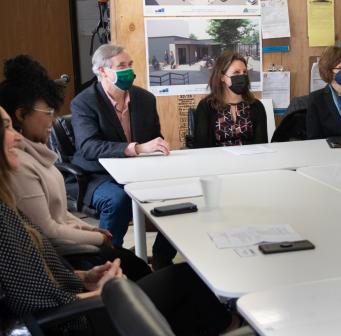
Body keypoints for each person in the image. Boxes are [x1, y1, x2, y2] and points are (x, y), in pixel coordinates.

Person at [0, 110, 236, 335]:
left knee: (186, 279)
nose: (17, 137)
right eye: (8, 128)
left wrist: (85, 276)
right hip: (83, 321)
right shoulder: (3, 222)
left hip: (82, 300)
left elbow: (40, 282)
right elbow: (38, 311)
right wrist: (107, 293)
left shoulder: (6, 205)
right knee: (188, 283)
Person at [0, 55, 151, 280]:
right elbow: (49, 231)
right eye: (48, 113)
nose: (52, 121)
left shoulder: (38, 156)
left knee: (139, 267)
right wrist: (98, 239)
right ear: (21, 115)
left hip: (74, 245)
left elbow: (60, 215)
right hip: (67, 258)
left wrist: (91, 230)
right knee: (140, 272)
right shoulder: (20, 165)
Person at [71, 44, 176, 269]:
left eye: (130, 65)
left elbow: (153, 139)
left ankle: (162, 258)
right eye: (121, 66)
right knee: (118, 200)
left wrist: (158, 147)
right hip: (99, 175)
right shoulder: (84, 102)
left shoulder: (145, 99)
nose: (128, 70)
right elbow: (89, 147)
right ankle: (106, 262)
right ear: (102, 71)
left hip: (140, 171)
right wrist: (135, 148)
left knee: (179, 193)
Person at [193, 51, 268, 148]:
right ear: (222, 77)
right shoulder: (206, 107)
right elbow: (201, 147)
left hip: (250, 161)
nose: (242, 76)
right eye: (236, 72)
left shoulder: (256, 106)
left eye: (244, 72)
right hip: (217, 161)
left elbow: (262, 146)